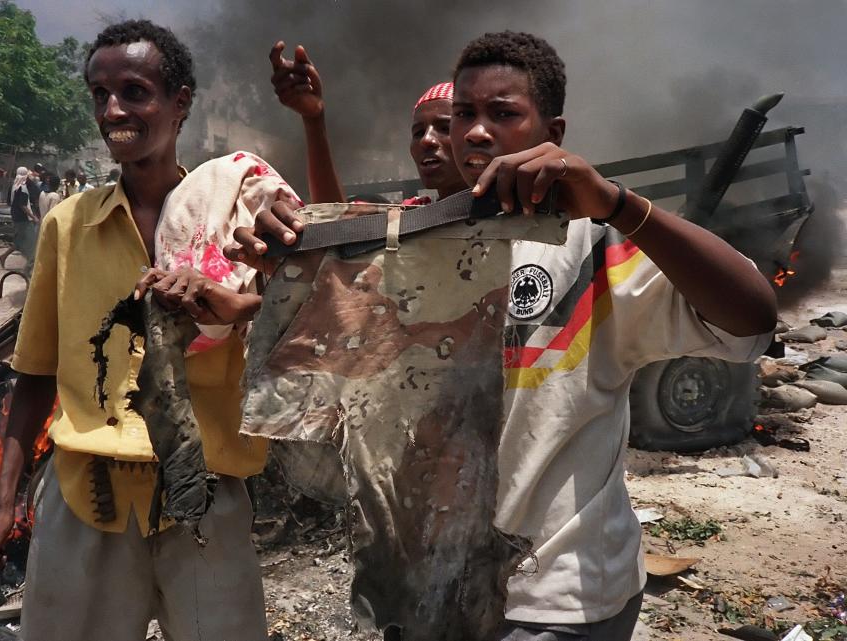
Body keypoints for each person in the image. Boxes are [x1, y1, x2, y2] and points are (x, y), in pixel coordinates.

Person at [232, 31, 777, 641]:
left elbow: (753, 317)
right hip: (426, 585)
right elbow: (346, 297)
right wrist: (296, 246)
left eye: (504, 113)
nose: (475, 132)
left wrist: (620, 204)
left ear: (555, 132)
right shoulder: (414, 241)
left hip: (554, 599)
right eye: (465, 113)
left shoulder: (593, 244)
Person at [0, 19, 300, 641]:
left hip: (207, 495)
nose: (113, 109)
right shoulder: (67, 225)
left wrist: (237, 297)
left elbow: (313, 323)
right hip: (86, 499)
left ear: (180, 103)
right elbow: (35, 372)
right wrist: (2, 505)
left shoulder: (239, 215)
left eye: (134, 91)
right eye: (100, 94)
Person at [270, 42, 467, 204]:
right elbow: (336, 230)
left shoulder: (498, 212)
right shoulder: (411, 218)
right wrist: (313, 120)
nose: (426, 140)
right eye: (418, 132)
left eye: (444, 128)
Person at [0, 167, 40, 270]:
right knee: (31, 241)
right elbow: (23, 205)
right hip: (24, 218)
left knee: (19, 240)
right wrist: (33, 217)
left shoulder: (14, 185)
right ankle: (30, 265)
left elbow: (10, 202)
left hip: (16, 216)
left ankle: (4, 256)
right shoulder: (22, 187)